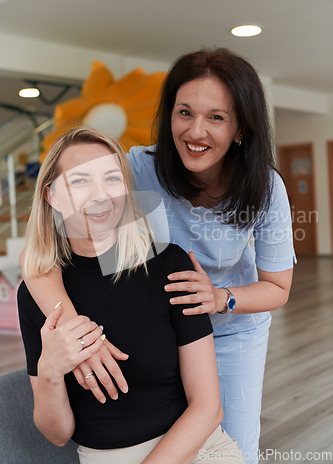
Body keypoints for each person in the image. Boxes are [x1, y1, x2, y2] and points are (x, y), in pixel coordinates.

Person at [20, 48, 295, 464]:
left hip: (232, 328)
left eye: (217, 117)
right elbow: (41, 257)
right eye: (185, 112)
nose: (196, 131)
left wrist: (220, 298)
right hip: (157, 328)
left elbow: (277, 286)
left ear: (241, 128)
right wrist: (77, 329)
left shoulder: (266, 189)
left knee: (233, 441)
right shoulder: (136, 168)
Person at [17, 126, 246, 464]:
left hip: (198, 447)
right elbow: (57, 434)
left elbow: (208, 408)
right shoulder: (36, 296)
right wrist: (50, 371)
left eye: (112, 179)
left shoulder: (169, 265)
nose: (100, 196)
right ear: (52, 196)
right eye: (80, 181)